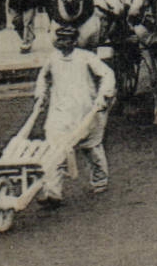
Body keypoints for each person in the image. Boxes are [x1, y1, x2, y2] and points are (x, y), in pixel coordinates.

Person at [22, 23, 115, 207]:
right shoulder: (53, 59)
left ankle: (100, 180)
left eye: (66, 39)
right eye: (60, 39)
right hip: (59, 112)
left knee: (91, 148)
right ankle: (53, 193)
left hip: (86, 111)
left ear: (74, 41)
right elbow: (43, 77)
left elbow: (107, 74)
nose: (62, 43)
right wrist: (40, 95)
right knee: (55, 151)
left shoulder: (86, 57)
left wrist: (104, 95)